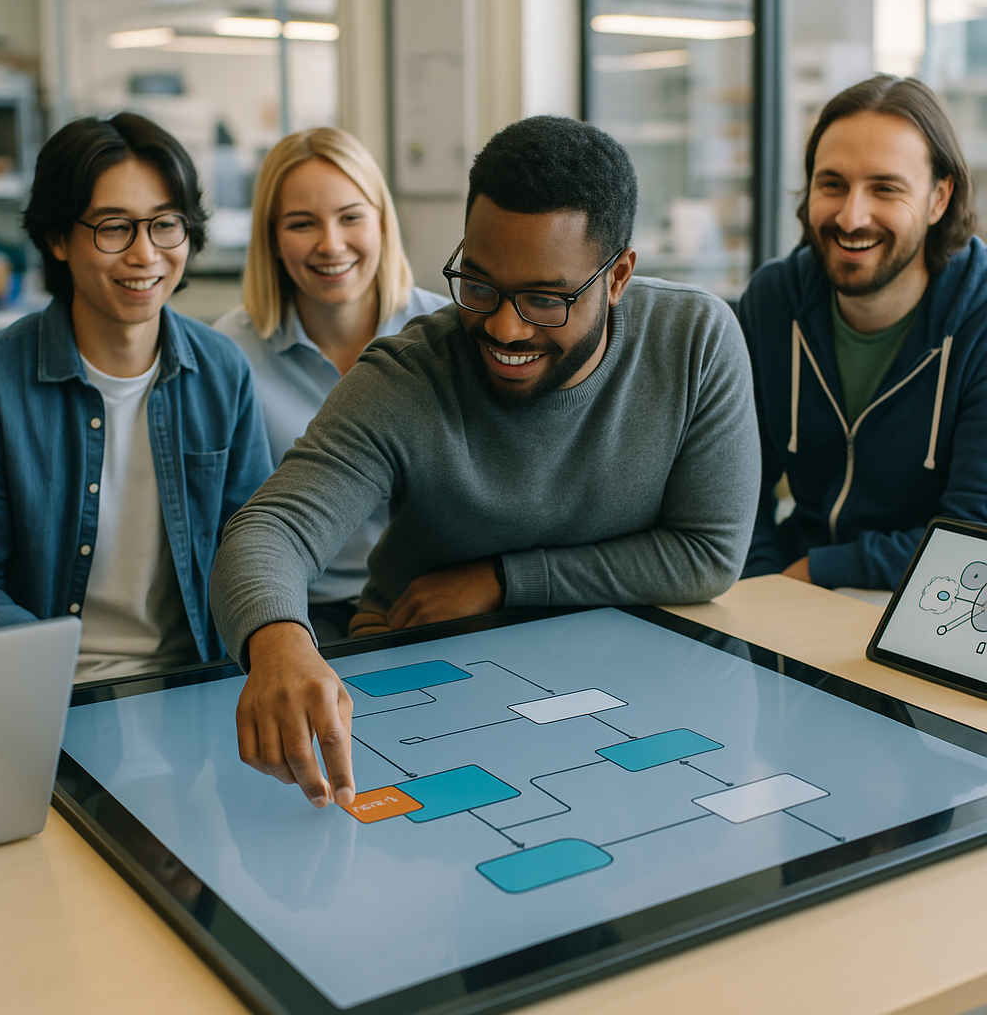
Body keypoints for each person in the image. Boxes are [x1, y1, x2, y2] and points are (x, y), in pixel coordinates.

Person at [210, 114, 761, 807]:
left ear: (617, 276)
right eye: (479, 284)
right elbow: (268, 533)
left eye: (545, 299)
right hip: (425, 677)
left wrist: (504, 579)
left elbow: (707, 555)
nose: (504, 327)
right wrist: (279, 641)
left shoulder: (696, 340)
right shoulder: (408, 374)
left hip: (621, 676)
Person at [0, 113, 272, 680]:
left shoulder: (221, 370)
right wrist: (43, 672)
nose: (145, 254)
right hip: (51, 692)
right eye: (113, 227)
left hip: (193, 680)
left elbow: (254, 544)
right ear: (57, 237)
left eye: (164, 224)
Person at [741, 75, 987, 591]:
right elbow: (735, 493)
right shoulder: (772, 301)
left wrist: (818, 570)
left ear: (940, 198)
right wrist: (766, 588)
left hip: (933, 604)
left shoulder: (980, 317)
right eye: (832, 184)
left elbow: (973, 539)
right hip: (788, 584)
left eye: (885, 188)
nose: (852, 216)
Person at [214, 127, 448, 642]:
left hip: (434, 604)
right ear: (272, 238)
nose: (331, 244)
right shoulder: (227, 354)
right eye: (302, 223)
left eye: (351, 217)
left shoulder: (449, 334)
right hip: (294, 615)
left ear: (382, 222)